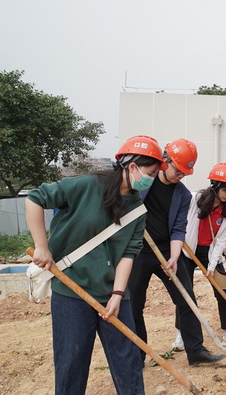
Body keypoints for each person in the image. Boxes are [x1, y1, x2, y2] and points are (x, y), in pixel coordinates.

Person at [25, 135, 166, 395]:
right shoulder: (86, 186)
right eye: (150, 172)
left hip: (113, 296)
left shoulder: (137, 209)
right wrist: (42, 245)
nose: (152, 178)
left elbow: (129, 254)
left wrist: (117, 294)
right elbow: (35, 198)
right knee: (72, 363)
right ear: (132, 166)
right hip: (72, 292)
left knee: (128, 362)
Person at [128, 138, 225, 366]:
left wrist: (174, 256)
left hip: (166, 249)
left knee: (186, 299)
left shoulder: (182, 195)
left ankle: (196, 351)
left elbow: (179, 228)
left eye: (185, 173)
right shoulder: (144, 182)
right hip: (138, 250)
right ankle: (137, 354)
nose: (180, 176)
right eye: (178, 170)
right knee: (134, 304)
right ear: (165, 160)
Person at [171, 162, 226, 352]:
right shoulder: (195, 199)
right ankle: (181, 333)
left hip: (210, 252)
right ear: (215, 186)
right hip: (188, 251)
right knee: (185, 293)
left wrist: (212, 265)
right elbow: (180, 220)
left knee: (223, 292)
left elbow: (222, 241)